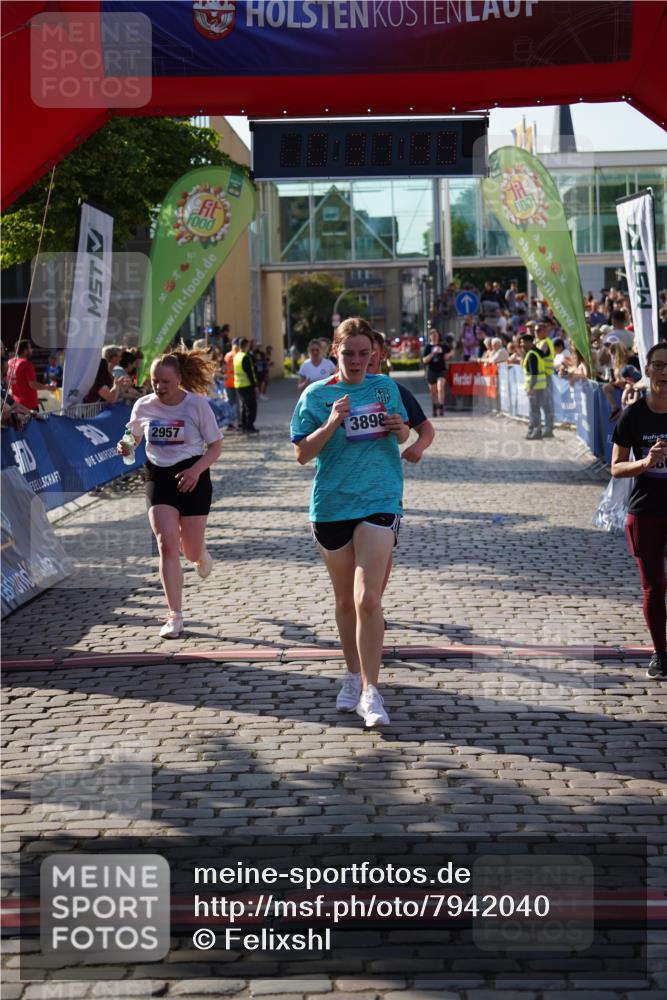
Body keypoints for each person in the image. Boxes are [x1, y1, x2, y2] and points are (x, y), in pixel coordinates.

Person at [290, 317, 409, 728]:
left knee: (367, 600)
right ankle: (353, 674)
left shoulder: (385, 388)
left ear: (372, 354)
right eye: (348, 353)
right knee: (344, 602)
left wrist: (399, 427)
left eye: (364, 353)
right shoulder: (315, 396)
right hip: (331, 505)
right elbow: (302, 454)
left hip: (379, 499)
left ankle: (371, 693)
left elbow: (404, 434)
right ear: (334, 352)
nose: (357, 360)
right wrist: (331, 423)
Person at [118, 349, 223, 639]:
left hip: (193, 474)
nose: (159, 387)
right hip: (159, 475)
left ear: (178, 379)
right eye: (154, 381)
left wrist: (196, 470)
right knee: (166, 543)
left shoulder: (196, 405)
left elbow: (215, 446)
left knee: (189, 550)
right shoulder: (143, 405)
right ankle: (174, 616)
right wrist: (126, 445)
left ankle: (200, 554)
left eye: (165, 381)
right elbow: (132, 436)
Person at [611, 342, 667, 679]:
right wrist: (646, 462)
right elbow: (616, 468)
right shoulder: (634, 415)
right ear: (647, 371)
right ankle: (661, 654)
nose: (664, 373)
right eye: (658, 365)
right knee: (654, 587)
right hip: (646, 511)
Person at [7, 340, 55, 411]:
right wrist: (47, 387)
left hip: (16, 404)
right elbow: (33, 384)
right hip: (29, 406)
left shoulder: (10, 362)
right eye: (30, 348)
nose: (32, 350)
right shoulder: (26, 364)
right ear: (25, 350)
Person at [519, 332, 546, 439]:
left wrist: (531, 387)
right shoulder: (535, 352)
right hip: (538, 386)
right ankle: (533, 430)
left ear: (530, 342)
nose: (522, 345)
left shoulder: (531, 355)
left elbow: (534, 373)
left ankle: (536, 431)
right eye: (521, 342)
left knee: (534, 410)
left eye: (523, 342)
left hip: (535, 387)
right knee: (534, 410)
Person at [233, 338, 259, 434]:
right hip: (247, 385)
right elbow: (250, 373)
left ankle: (243, 425)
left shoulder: (236, 357)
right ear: (245, 346)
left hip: (238, 385)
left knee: (243, 406)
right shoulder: (245, 357)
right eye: (248, 345)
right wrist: (255, 385)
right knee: (251, 406)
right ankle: (249, 426)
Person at [422, 328, 449, 417]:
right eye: (433, 335)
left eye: (436, 335)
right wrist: (432, 354)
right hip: (431, 371)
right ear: (430, 337)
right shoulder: (428, 347)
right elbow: (424, 360)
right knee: (433, 392)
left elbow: (451, 351)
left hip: (441, 370)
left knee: (440, 387)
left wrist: (447, 355)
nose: (434, 337)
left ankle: (441, 406)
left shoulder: (443, 346)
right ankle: (434, 406)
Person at [223, 338, 240, 430]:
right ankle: (239, 423)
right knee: (237, 404)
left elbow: (224, 369)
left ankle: (230, 423)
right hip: (237, 383)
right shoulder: (239, 355)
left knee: (230, 404)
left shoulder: (227, 355)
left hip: (229, 383)